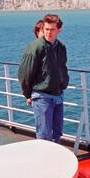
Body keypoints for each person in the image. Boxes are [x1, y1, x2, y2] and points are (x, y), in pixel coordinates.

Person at [18, 14, 69, 143]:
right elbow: (24, 74)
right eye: (46, 29)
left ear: (59, 30)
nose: (48, 32)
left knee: (57, 133)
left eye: (52, 29)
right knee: (44, 137)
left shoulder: (61, 47)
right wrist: (28, 94)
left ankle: (55, 161)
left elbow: (62, 67)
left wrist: (63, 83)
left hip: (58, 96)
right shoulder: (36, 47)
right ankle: (44, 162)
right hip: (42, 97)